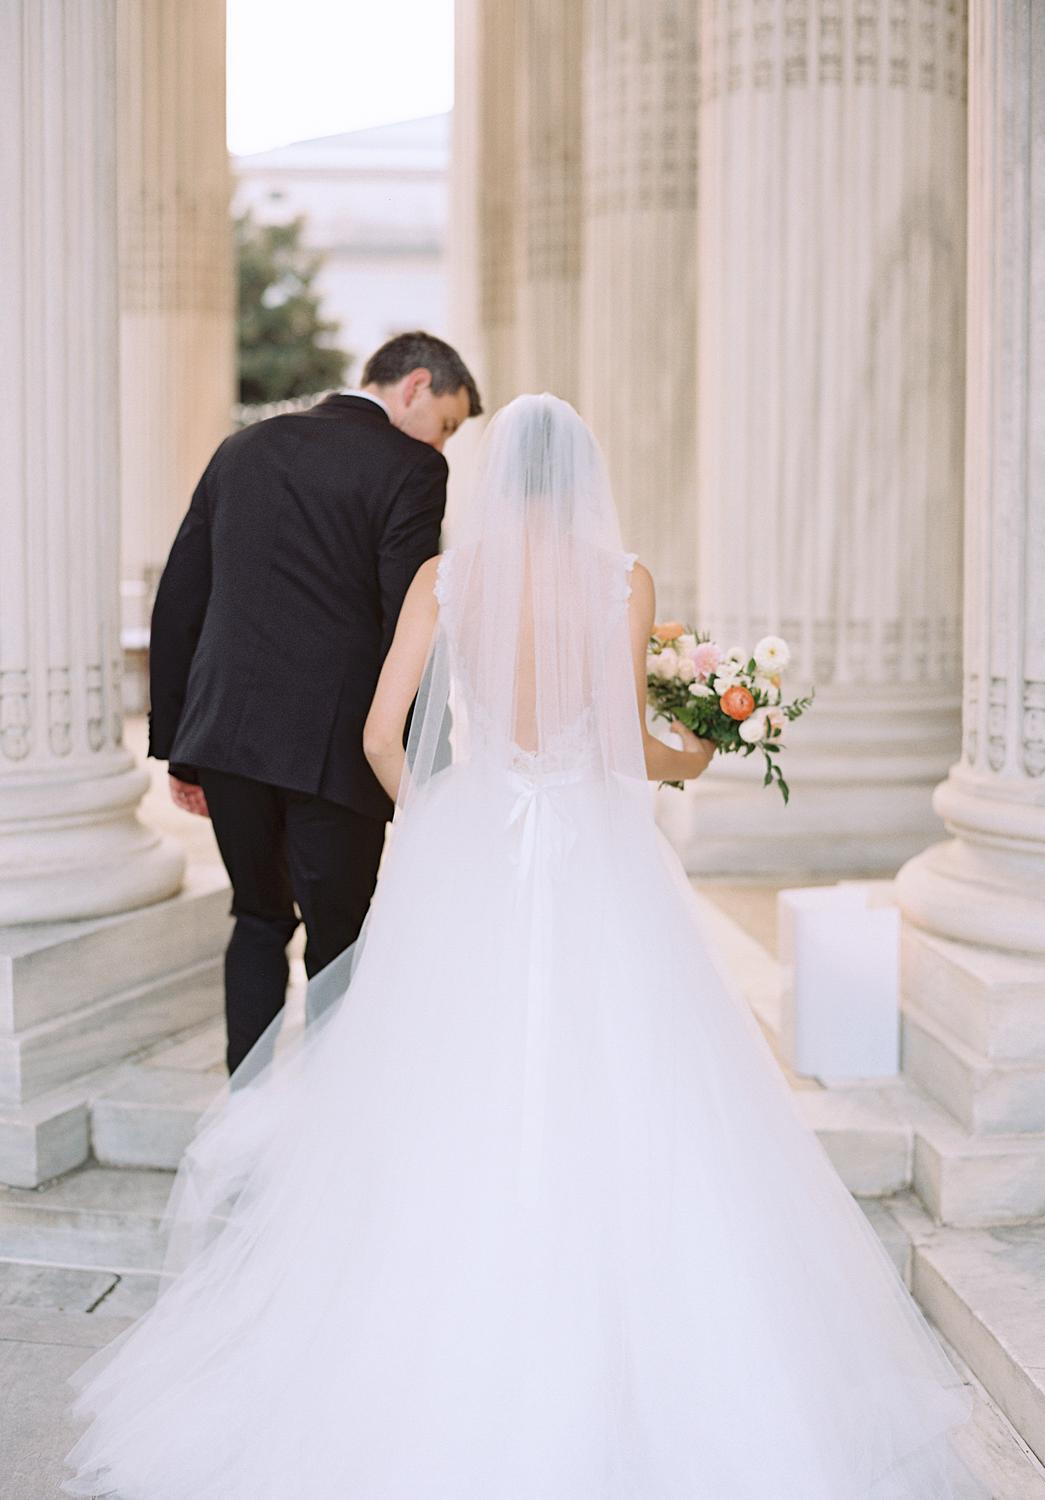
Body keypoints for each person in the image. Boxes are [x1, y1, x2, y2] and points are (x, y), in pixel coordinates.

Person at [63, 395, 979, 1499]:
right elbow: (630, 748)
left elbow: (376, 733)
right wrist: (704, 746)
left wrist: (443, 814)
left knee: (450, 1085)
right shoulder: (620, 582)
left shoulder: (447, 581)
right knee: (629, 1080)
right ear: (583, 478)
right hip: (594, 863)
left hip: (477, 852)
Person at [147, 331, 480, 1074]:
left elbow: (181, 598)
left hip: (227, 741)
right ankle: (324, 1130)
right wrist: (434, 763)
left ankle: (246, 1116)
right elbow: (411, 623)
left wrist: (181, 745)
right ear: (415, 386)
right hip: (337, 756)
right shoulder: (413, 468)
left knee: (258, 920)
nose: (445, 441)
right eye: (449, 422)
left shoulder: (243, 447)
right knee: (340, 940)